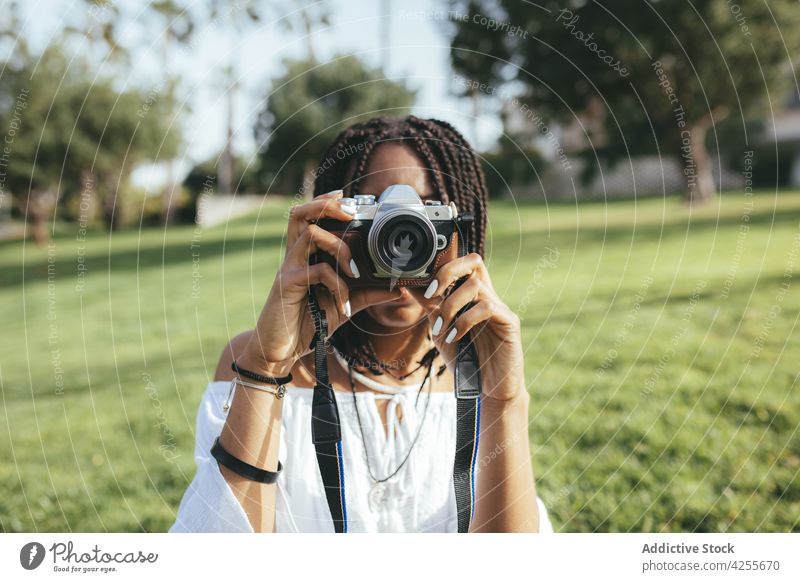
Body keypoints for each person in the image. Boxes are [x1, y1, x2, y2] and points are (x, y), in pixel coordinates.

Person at [168, 115, 553, 533]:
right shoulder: (255, 362)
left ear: (463, 229)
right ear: (329, 223)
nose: (399, 239)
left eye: (426, 213)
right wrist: (267, 367)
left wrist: (503, 400)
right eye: (374, 212)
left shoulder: (482, 373)